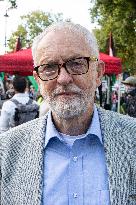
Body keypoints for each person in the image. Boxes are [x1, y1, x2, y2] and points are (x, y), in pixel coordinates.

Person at [0, 22, 135, 205]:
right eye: (49, 67)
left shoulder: (132, 138)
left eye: (77, 64)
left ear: (98, 73)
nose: (63, 79)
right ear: (38, 80)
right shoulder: (6, 150)